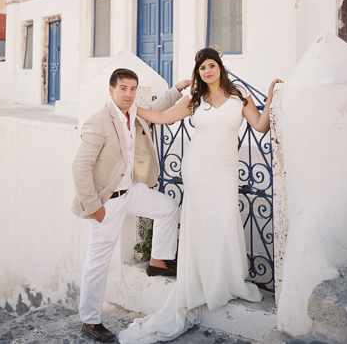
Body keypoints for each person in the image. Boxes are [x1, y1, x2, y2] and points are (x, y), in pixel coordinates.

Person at [117, 48, 283, 343]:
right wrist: (130, 107)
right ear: (198, 72)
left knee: (223, 224)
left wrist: (271, 98)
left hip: (225, 172)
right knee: (201, 226)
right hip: (197, 170)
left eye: (211, 65)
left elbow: (260, 125)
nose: (207, 71)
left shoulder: (239, 97)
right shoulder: (195, 99)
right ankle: (200, 282)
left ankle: (223, 281)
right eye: (202, 67)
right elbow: (164, 117)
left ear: (219, 67)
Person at [72, 68, 192, 343]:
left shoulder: (133, 112)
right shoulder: (99, 122)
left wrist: (178, 88)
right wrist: (94, 207)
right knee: (97, 262)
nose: (128, 94)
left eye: (133, 88)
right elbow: (80, 168)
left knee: (167, 207)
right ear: (111, 90)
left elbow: (158, 109)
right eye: (123, 88)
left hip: (131, 192)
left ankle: (158, 261)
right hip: (107, 202)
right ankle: (89, 320)